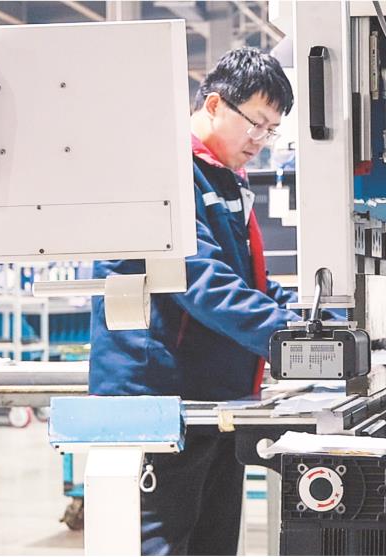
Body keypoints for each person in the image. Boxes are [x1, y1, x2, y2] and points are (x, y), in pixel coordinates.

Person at [89, 47, 299, 555]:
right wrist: (290, 338)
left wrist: (316, 319)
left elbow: (247, 282)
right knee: (161, 542)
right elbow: (199, 280)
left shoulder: (221, 178)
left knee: (214, 544)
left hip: (214, 400)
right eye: (256, 122)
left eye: (271, 131)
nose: (260, 140)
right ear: (214, 104)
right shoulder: (162, 174)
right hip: (160, 402)